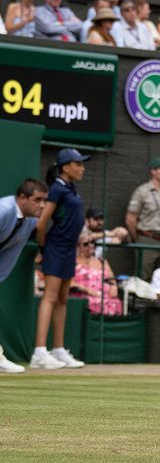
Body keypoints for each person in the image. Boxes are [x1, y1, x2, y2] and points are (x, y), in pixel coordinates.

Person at [33, 149, 90, 370]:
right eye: (78, 164)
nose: (82, 168)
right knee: (50, 296)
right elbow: (41, 224)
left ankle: (58, 349)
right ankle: (39, 352)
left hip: (68, 250)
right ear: (66, 167)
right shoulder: (57, 188)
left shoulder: (70, 188)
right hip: (55, 247)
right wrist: (43, 248)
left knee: (63, 299)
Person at [0, 179, 48, 374]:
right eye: (37, 200)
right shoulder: (3, 211)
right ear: (21, 198)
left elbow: (12, 252)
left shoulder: (30, 221)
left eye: (44, 200)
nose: (42, 205)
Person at [126, 157, 160, 279]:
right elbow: (130, 218)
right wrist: (138, 238)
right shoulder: (142, 191)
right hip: (147, 238)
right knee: (144, 273)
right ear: (153, 171)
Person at [72, 233, 122, 316]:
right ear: (78, 246)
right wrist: (88, 290)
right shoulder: (73, 262)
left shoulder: (102, 261)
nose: (90, 245)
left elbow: (111, 279)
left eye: (92, 242)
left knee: (116, 302)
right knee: (94, 302)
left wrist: (113, 287)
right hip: (83, 295)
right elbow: (70, 283)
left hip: (105, 296)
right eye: (86, 244)